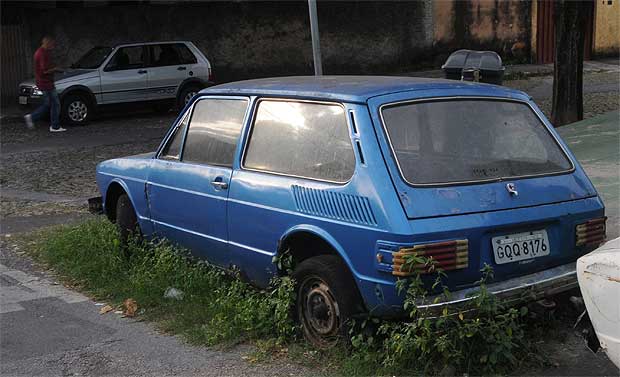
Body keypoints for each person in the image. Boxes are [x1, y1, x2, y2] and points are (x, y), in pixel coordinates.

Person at [24, 36, 66, 132]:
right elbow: (44, 70)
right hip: (46, 83)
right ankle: (34, 118)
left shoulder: (41, 52)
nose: (53, 46)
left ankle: (54, 125)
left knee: (50, 104)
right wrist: (56, 69)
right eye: (52, 44)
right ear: (47, 43)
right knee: (53, 104)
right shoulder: (42, 53)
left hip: (44, 82)